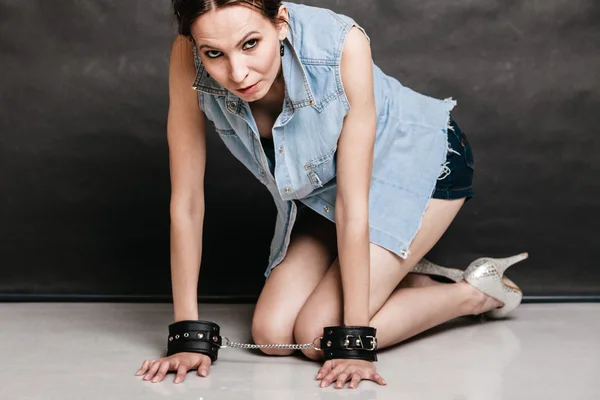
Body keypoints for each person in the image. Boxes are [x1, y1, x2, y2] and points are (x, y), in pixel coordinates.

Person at [136, 0, 527, 389]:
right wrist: (187, 334)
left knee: (318, 337)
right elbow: (187, 202)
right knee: (272, 334)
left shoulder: (343, 44)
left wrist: (354, 342)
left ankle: (474, 293)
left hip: (420, 160)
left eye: (251, 43)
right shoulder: (188, 54)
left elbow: (354, 207)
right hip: (328, 184)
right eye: (214, 54)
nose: (237, 72)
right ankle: (400, 278)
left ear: (281, 22)